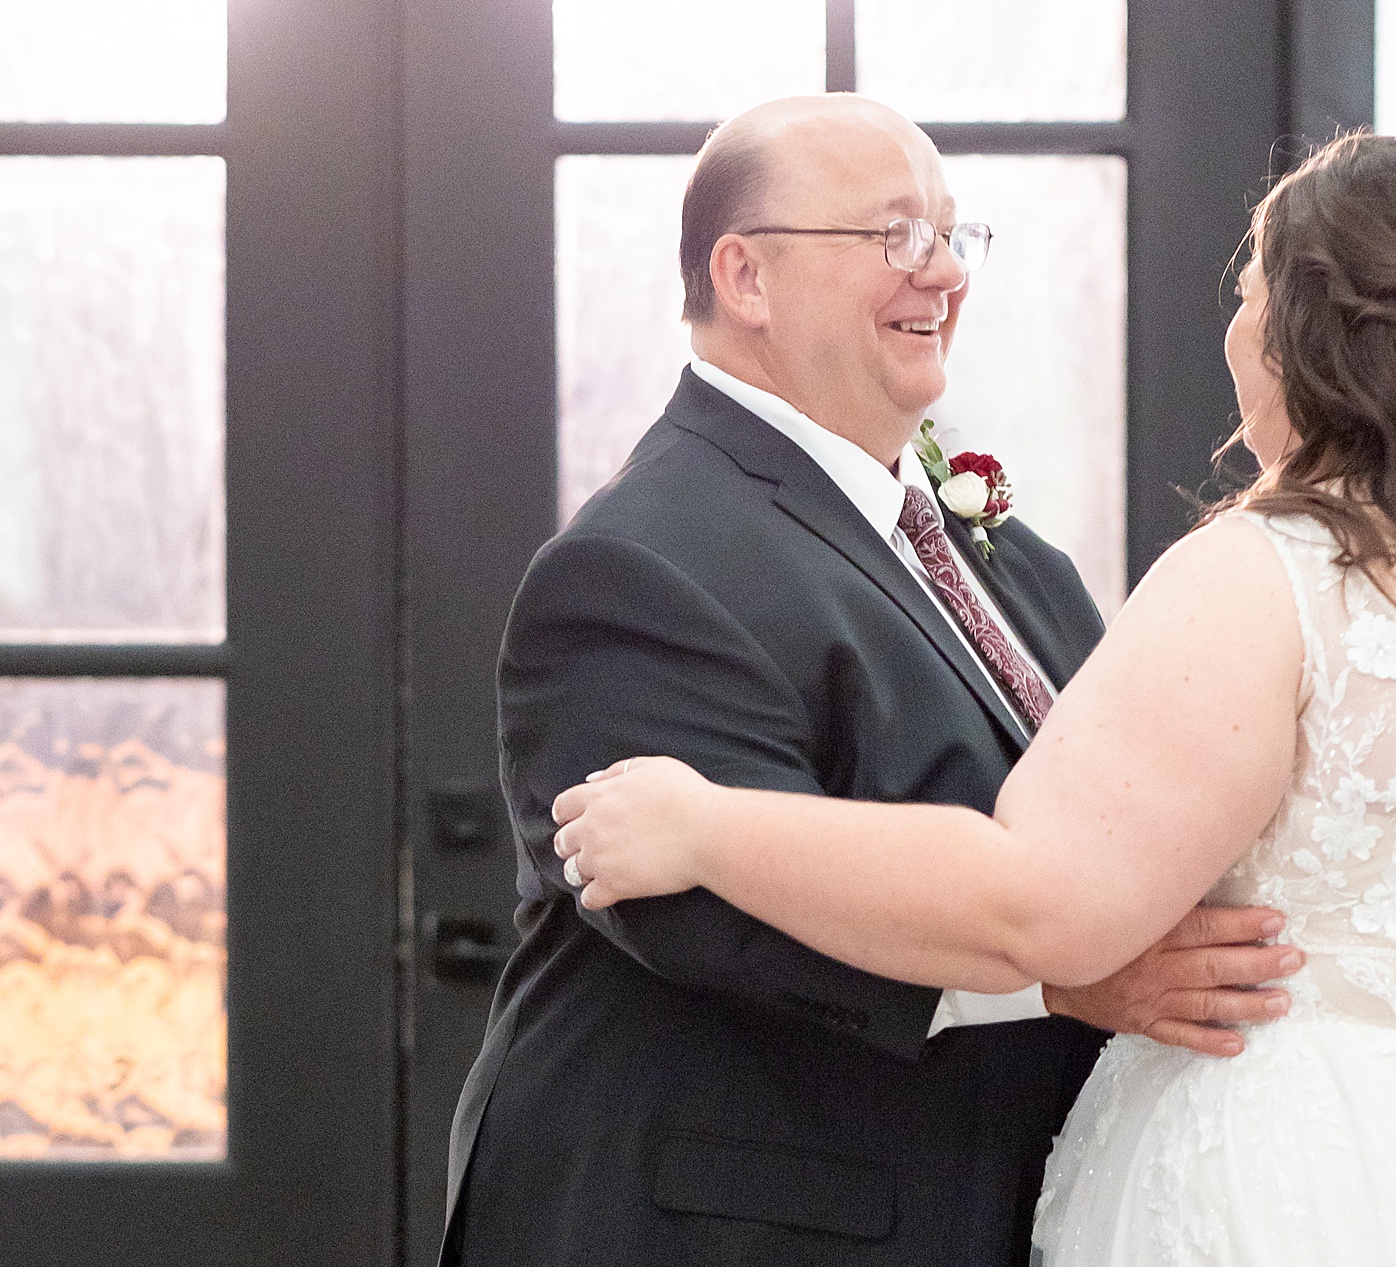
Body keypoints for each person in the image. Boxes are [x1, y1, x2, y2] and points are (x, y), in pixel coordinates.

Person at [553, 133, 1396, 1266]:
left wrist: (705, 825)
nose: (1236, 328)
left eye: (1248, 293)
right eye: (891, 234)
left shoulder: (1279, 572)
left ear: (1308, 333)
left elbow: (1044, 902)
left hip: (1329, 1181)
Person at [439, 94, 1297, 1267]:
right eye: (894, 235)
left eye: (950, 235)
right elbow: (698, 912)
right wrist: (1065, 976)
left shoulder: (1002, 552)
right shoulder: (634, 564)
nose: (941, 271)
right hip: (737, 1221)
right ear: (745, 276)